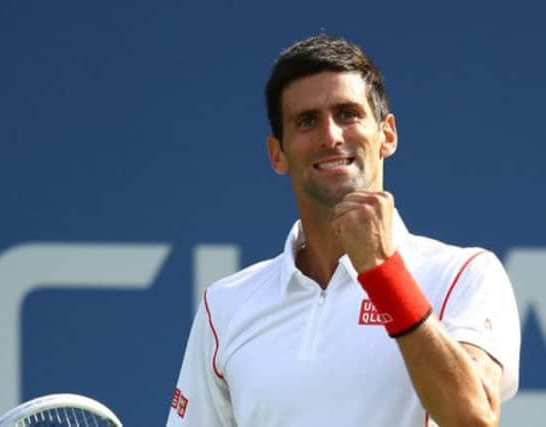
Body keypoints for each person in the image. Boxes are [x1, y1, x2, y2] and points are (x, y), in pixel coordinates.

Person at [166, 34, 520, 427]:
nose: (330, 136)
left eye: (347, 114)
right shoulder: (224, 306)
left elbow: (474, 418)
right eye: (306, 121)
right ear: (277, 153)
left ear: (387, 134)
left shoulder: (465, 274)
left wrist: (382, 272)